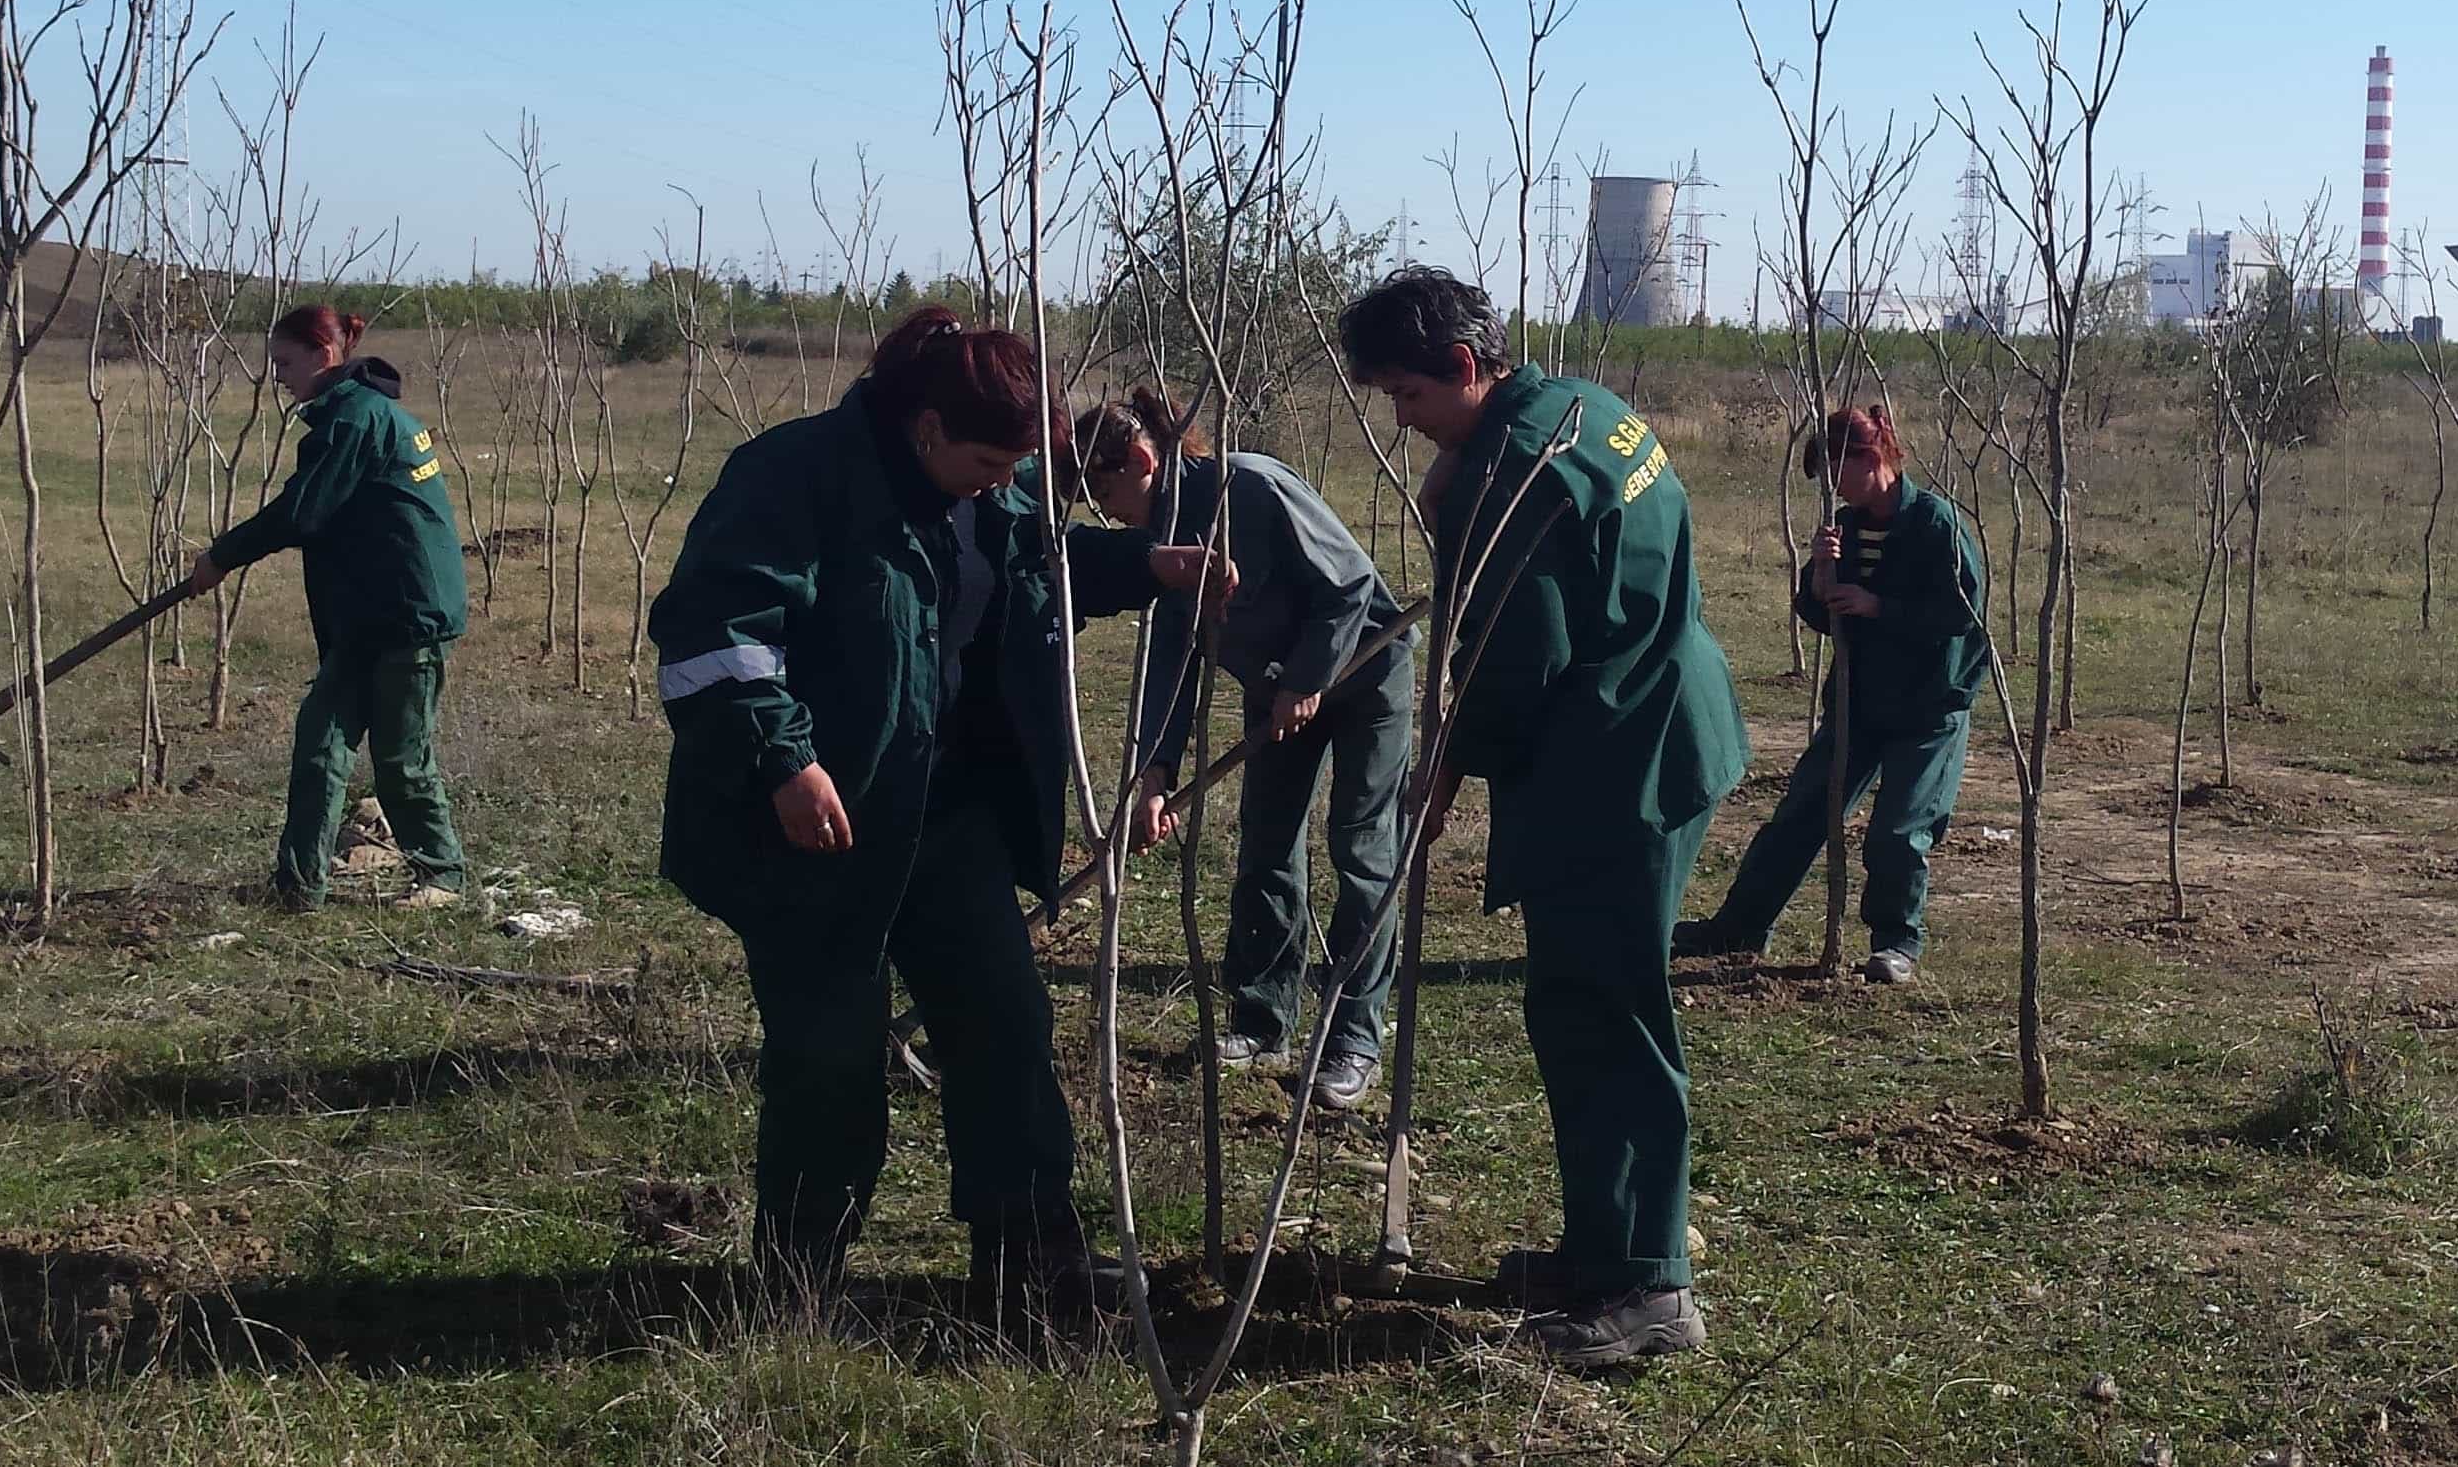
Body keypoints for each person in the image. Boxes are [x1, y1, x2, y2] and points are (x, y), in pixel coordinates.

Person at [647, 307, 1191, 1332]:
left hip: (947, 818)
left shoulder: (997, 487)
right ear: (926, 426)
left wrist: (1142, 569)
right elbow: (716, 634)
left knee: (1006, 1026)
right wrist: (786, 761)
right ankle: (798, 1283)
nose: (1005, 479)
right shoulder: (793, 477)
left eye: (1018, 463)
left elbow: (1034, 571)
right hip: (815, 826)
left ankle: (1029, 1258)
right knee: (830, 1055)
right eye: (988, 458)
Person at [1335, 266, 1744, 1367]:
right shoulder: (1579, 406)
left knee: (1608, 1014)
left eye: (1408, 397)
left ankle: (1650, 1286)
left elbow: (1520, 655)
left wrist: (1447, 769)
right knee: (1580, 1005)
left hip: (1619, 763)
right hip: (1656, 723)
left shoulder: (1512, 470)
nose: (1403, 422)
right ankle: (1603, 1248)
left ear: (1466, 367)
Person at [1073, 389, 1414, 1112]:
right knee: (1265, 847)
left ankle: (1353, 1039)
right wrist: (1156, 774)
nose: (1108, 517)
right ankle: (1263, 1021)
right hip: (1276, 695)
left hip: (1364, 673)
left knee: (1360, 847)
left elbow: (1348, 587)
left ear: (1140, 459)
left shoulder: (1252, 486)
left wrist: (1307, 679)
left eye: (1106, 495)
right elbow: (1171, 654)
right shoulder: (1158, 548)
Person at [1674, 406, 1991, 983]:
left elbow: (1963, 614)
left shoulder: (1933, 524)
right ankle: (1737, 930)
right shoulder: (1842, 527)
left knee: (1898, 831)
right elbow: (1824, 614)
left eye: (1838, 472)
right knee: (1798, 818)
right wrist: (1822, 578)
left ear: (1873, 461)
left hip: (1928, 707)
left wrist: (1881, 607)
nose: (1832, 487)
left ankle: (1897, 943)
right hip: (1860, 702)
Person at [184, 305, 469, 913]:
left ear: (324, 355)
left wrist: (221, 557)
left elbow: (301, 511)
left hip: (406, 613)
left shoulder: (357, 419)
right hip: (367, 615)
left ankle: (442, 875)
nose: (279, 378)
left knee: (400, 755)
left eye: (286, 363)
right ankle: (298, 889)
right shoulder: (354, 412)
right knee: (321, 743)